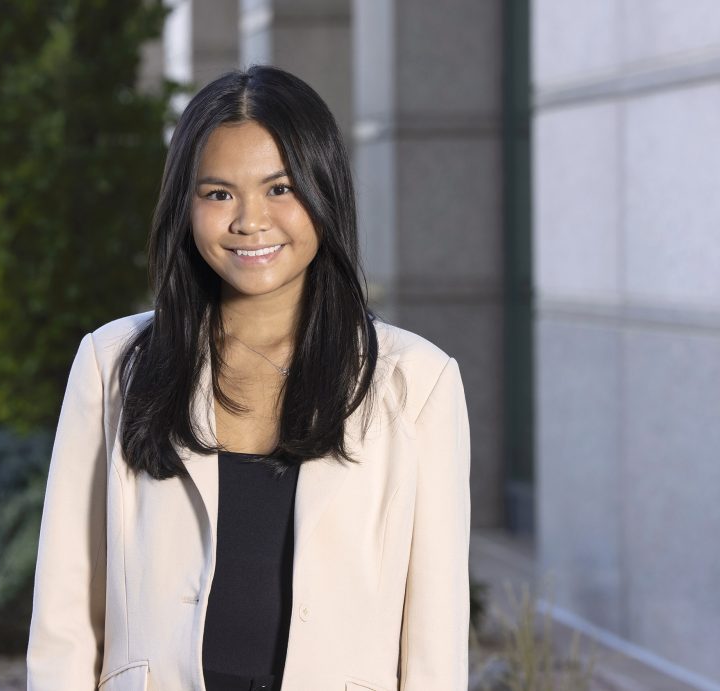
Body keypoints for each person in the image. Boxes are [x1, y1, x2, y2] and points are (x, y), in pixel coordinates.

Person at [26, 65, 471, 691]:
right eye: (218, 194)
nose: (249, 221)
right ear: (186, 205)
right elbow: (65, 613)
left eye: (280, 188)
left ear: (324, 192)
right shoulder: (113, 363)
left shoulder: (416, 383)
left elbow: (434, 640)